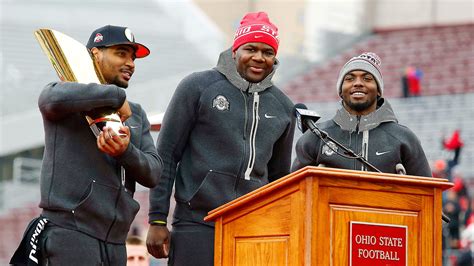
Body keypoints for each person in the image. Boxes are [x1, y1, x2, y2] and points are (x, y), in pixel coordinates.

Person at [146, 11, 295, 266]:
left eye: (267, 52)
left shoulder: (284, 107)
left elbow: (278, 177)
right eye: (251, 48)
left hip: (253, 228)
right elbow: (167, 155)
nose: (259, 58)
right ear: (235, 50)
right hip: (197, 222)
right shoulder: (197, 87)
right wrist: (157, 219)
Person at [11, 25, 162, 265]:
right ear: (95, 54)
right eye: (121, 53)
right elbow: (49, 99)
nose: (131, 63)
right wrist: (116, 96)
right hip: (72, 234)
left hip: (115, 242)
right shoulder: (67, 98)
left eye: (133, 57)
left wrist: (126, 152)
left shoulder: (136, 114)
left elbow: (154, 173)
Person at [291, 52, 431, 177]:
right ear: (341, 90)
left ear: (378, 90)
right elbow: (292, 194)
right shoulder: (315, 137)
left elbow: (427, 196)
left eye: (367, 78)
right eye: (350, 79)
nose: (358, 83)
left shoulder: (404, 138)